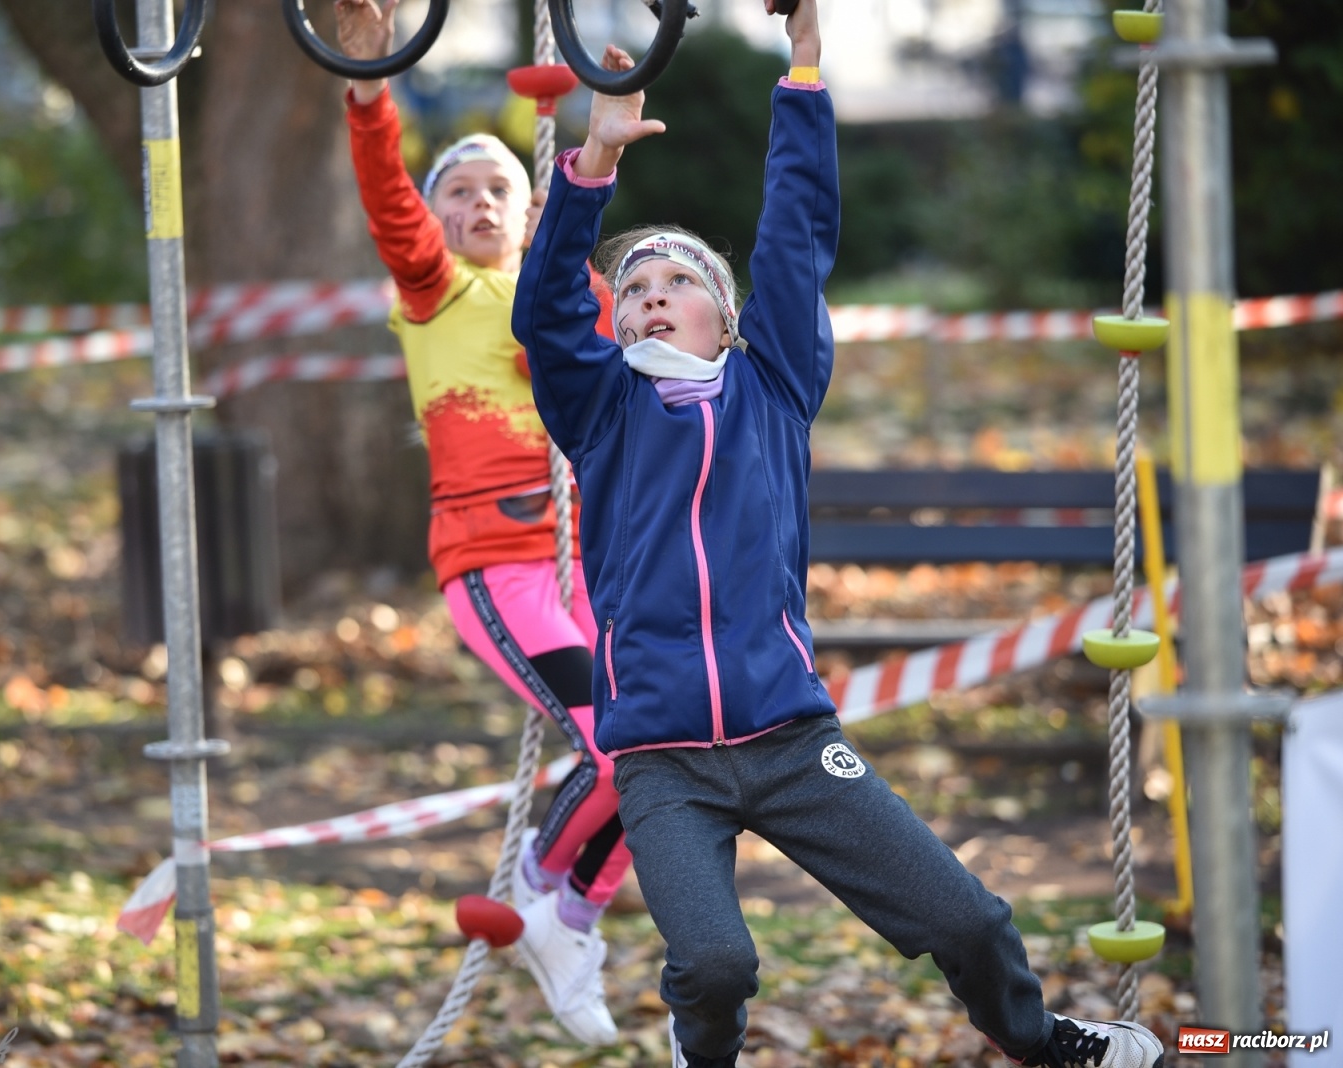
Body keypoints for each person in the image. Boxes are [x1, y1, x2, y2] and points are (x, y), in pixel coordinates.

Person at [511, 4, 1170, 1067]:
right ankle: (702, 1054)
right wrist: (592, 156)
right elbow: (544, 312)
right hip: (663, 761)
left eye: (679, 281)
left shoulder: (769, 386)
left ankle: (1045, 1041)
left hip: (786, 736)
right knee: (716, 967)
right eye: (633, 288)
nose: (650, 295)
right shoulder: (598, 413)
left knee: (966, 921)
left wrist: (806, 65)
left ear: (726, 319)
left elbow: (795, 234)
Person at [332, 0, 632, 1046]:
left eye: (495, 187)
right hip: (499, 563)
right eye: (455, 191)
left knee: (660, 742)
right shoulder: (435, 290)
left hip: (588, 561)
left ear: (526, 203)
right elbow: (388, 202)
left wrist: (598, 141)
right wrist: (370, 89)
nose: (474, 204)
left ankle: (568, 914)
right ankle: (553, 895)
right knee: (613, 737)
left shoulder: (560, 293)